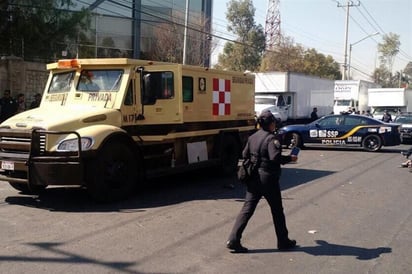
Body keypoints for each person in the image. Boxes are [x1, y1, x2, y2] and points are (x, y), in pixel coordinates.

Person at [226, 110, 297, 253]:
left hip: (252, 178)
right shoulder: (272, 139)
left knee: (247, 210)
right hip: (268, 179)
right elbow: (275, 158)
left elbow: (245, 154)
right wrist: (290, 158)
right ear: (271, 124)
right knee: (277, 211)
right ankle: (283, 241)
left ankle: (233, 239)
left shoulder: (252, 137)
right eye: (274, 123)